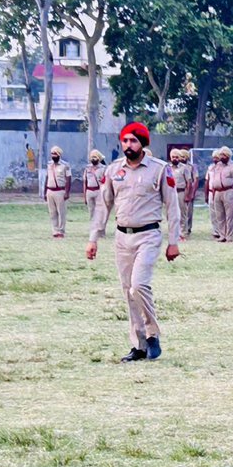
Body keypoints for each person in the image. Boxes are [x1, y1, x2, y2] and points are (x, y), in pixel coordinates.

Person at [86, 122, 181, 362]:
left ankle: (152, 334)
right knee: (128, 291)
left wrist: (173, 241)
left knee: (139, 286)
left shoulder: (159, 169)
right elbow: (103, 206)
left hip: (148, 235)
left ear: (143, 143)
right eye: (125, 140)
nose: (128, 145)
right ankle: (139, 345)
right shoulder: (113, 170)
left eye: (133, 141)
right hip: (122, 237)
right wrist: (93, 238)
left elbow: (172, 206)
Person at [206, 147, 233, 242]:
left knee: (229, 215)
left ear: (228, 156)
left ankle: (229, 236)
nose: (221, 157)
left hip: (228, 191)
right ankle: (222, 235)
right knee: (219, 215)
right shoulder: (216, 166)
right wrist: (213, 192)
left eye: (224, 155)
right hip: (217, 192)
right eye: (220, 155)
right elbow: (213, 179)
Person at [44, 145, 71, 238]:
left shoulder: (65, 165)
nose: (53, 156)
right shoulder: (49, 165)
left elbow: (68, 179)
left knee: (61, 212)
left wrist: (67, 192)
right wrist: (45, 191)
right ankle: (55, 231)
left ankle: (61, 231)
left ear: (59, 155)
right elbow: (47, 177)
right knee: (52, 212)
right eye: (52, 154)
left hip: (60, 191)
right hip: (50, 191)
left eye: (55, 154)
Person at [83, 150, 107, 238]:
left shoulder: (103, 168)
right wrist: (84, 195)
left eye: (95, 157)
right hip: (89, 191)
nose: (93, 159)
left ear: (99, 158)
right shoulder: (87, 168)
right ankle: (94, 231)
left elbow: (106, 181)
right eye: (92, 157)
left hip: (99, 191)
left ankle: (101, 231)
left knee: (100, 212)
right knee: (92, 213)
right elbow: (85, 181)